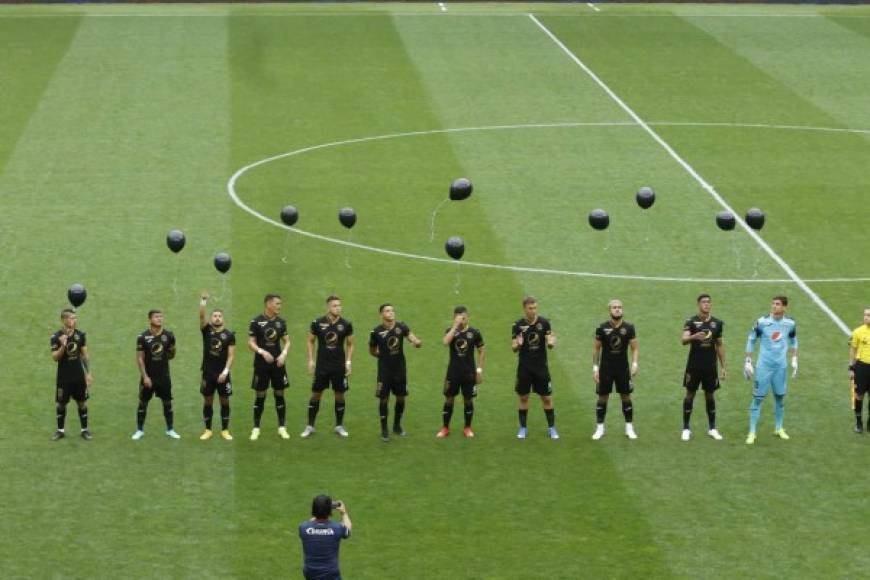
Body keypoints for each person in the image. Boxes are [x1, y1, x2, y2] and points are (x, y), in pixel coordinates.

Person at [744, 295, 798, 444]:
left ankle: (779, 428)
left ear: (784, 307)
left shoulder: (790, 323)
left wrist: (794, 358)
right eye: (773, 303)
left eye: (778, 304)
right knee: (757, 399)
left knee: (780, 398)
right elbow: (751, 339)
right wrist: (748, 360)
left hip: (780, 367)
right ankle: (752, 432)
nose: (774, 306)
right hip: (764, 367)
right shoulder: (762, 322)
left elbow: (793, 339)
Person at [368, 303, 422, 441]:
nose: (391, 313)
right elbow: (372, 350)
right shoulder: (376, 332)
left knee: (401, 397)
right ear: (381, 315)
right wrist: (381, 356)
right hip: (384, 371)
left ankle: (397, 426)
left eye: (392, 310)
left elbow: (412, 337)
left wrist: (416, 342)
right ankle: (384, 429)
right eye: (387, 311)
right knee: (383, 399)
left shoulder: (401, 327)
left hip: (400, 370)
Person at [303, 295, 354, 438]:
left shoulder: (346, 324)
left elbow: (350, 344)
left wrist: (348, 362)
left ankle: (339, 426)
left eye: (339, 305)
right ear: (328, 307)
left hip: (339, 367)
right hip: (322, 366)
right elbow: (310, 341)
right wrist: (311, 360)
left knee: (339, 395)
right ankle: (310, 426)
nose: (338, 308)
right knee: (316, 394)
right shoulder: (318, 323)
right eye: (335, 306)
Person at [679, 294, 726, 441]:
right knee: (690, 394)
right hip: (694, 365)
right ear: (698, 304)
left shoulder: (717, 323)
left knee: (710, 395)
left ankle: (712, 428)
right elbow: (683, 340)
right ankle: (686, 428)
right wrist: (694, 337)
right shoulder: (691, 321)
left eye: (708, 302)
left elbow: (719, 345)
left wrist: (724, 366)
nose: (706, 304)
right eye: (703, 302)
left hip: (710, 366)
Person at [511, 296, 558, 440]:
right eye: (530, 308)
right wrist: (518, 344)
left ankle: (552, 428)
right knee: (524, 397)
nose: (533, 311)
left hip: (540, 368)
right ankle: (523, 428)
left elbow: (550, 342)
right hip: (524, 368)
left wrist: (551, 342)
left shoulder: (544, 323)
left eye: (535, 308)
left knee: (547, 398)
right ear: (524, 309)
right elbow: (513, 348)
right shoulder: (518, 325)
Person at [592, 299, 639, 440]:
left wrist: (635, 363)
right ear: (609, 310)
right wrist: (595, 368)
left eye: (619, 307)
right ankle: (600, 428)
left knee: (626, 396)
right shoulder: (602, 328)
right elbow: (596, 349)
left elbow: (635, 348)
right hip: (605, 369)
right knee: (602, 397)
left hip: (622, 369)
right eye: (614, 307)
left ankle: (629, 428)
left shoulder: (629, 328)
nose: (617, 309)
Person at [248, 294, 291, 441]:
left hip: (278, 365)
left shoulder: (281, 322)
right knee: (260, 396)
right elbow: (251, 342)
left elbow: (287, 341)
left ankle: (282, 427)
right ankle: (256, 428)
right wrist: (262, 351)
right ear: (268, 305)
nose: (280, 306)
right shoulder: (256, 321)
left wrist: (284, 354)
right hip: (261, 365)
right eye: (277, 304)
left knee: (279, 394)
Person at [437, 306, 485, 438]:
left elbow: (481, 350)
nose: (462, 320)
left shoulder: (474, 332)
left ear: (467, 317)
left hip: (469, 373)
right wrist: (455, 326)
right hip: (453, 372)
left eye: (464, 317)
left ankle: (467, 427)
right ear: (454, 318)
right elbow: (445, 342)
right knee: (449, 399)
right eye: (459, 318)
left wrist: (479, 370)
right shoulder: (450, 331)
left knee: (468, 400)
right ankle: (445, 428)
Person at [132, 309, 179, 440]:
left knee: (167, 403)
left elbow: (172, 354)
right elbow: (140, 358)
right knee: (142, 403)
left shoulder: (169, 335)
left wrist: (170, 352)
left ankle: (170, 429)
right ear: (150, 319)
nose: (159, 319)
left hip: (164, 376)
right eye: (156, 317)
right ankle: (139, 430)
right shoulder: (142, 337)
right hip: (148, 377)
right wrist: (145, 376)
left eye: (161, 317)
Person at [50, 309, 93, 441]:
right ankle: (60, 430)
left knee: (82, 403)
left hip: (78, 376)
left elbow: (84, 355)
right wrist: (63, 345)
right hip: (64, 378)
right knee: (61, 404)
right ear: (64, 320)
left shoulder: (80, 335)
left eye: (75, 318)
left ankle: (85, 430)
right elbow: (55, 357)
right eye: (72, 318)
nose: (74, 320)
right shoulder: (56, 337)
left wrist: (88, 373)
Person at [199, 293, 236, 441]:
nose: (217, 318)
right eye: (214, 316)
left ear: (223, 318)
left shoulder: (229, 335)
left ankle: (225, 430)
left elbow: (231, 355)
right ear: (211, 318)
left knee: (224, 401)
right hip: (208, 373)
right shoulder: (207, 331)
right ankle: (208, 429)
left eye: (219, 316)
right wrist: (203, 301)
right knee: (207, 400)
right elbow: (201, 317)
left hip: (223, 374)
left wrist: (225, 372)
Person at [299, 496, 352, 580]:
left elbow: (312, 522)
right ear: (329, 510)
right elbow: (347, 531)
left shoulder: (303, 527)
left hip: (310, 572)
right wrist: (343, 513)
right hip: (330, 574)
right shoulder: (337, 528)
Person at [848, 307, 870, 433]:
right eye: (865, 315)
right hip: (862, 367)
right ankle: (858, 422)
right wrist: (851, 367)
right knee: (859, 395)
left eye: (869, 315)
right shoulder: (858, 332)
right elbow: (853, 350)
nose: (866, 317)